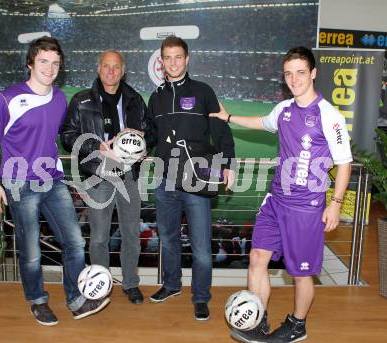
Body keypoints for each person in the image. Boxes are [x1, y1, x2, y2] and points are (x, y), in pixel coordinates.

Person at [210, 46, 352, 342]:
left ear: (313, 73)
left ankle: (297, 325)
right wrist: (229, 117)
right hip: (275, 201)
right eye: (288, 73)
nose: (294, 79)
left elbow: (344, 163)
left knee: (301, 273)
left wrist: (335, 204)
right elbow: (262, 122)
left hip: (306, 207)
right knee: (257, 258)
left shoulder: (330, 116)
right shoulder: (284, 109)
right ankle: (257, 320)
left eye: (300, 72)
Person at [0, 37, 110, 326]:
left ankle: (76, 299)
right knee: (31, 250)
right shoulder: (7, 99)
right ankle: (38, 301)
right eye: (43, 61)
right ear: (30, 63)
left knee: (75, 241)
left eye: (55, 63)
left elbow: (68, 135)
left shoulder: (60, 98)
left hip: (52, 180)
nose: (50, 68)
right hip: (18, 183)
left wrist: (102, 145)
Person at [147, 36, 235, 321]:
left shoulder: (203, 91)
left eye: (178, 57)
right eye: (167, 58)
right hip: (165, 180)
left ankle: (200, 297)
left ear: (187, 59)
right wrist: (134, 142)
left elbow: (221, 131)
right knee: (169, 240)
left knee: (200, 245)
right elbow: (150, 136)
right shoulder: (156, 96)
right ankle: (172, 285)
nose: (173, 62)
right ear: (161, 62)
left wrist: (228, 164)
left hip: (198, 179)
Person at [60, 50, 149, 304]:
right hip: (98, 176)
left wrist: (143, 147)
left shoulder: (134, 100)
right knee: (99, 237)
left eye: (116, 67)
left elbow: (149, 132)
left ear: (123, 70)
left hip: (128, 176)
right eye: (106, 66)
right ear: (99, 68)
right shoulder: (81, 100)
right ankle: (101, 285)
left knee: (131, 234)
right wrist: (94, 146)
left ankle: (131, 284)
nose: (111, 71)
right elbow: (67, 136)